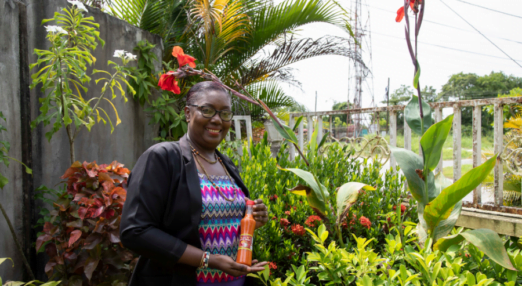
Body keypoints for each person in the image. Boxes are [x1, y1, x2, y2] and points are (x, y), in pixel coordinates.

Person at [120, 81, 269, 286]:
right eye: (207, 110)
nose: (217, 120)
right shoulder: (163, 158)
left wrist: (252, 219)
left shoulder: (227, 165)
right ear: (188, 113)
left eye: (225, 113)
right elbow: (135, 231)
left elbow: (214, 224)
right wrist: (207, 260)